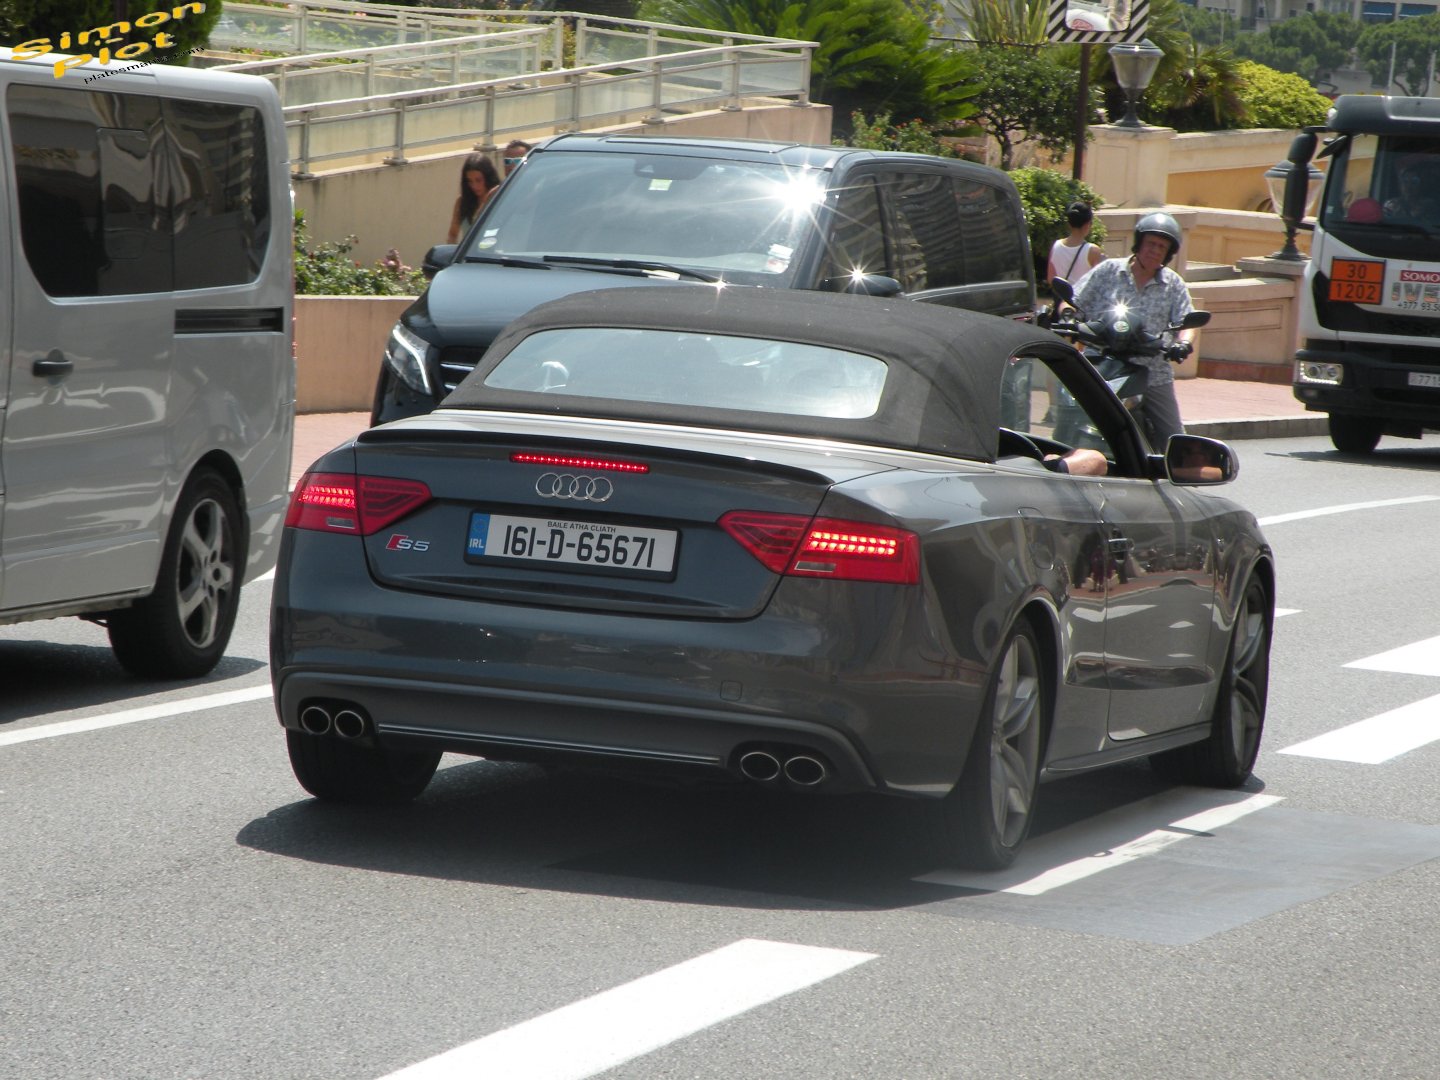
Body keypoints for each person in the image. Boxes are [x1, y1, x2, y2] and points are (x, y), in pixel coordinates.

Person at [1071, 211, 1198, 449]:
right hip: (1100, 363)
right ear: (1139, 243)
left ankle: (1174, 477)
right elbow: (1074, 301)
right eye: (1151, 243)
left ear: (1169, 253)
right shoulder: (1108, 271)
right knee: (1068, 410)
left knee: (1175, 439)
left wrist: (1183, 343)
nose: (1155, 250)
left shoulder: (1173, 284)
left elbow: (1187, 322)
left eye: (1162, 246)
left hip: (1153, 371)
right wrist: (1063, 314)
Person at [446, 153, 501, 244]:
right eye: (470, 181)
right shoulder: (462, 202)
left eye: (478, 180)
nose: (474, 186)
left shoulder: (498, 198)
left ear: (488, 177)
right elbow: (452, 234)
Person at [1047, 201, 1103, 286]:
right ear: (1087, 225)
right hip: (1083, 298)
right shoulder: (1093, 251)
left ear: (1069, 224)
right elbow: (1098, 282)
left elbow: (1051, 279)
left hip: (1062, 299)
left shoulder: (1056, 246)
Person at [1383, 158, 1439, 223]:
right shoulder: (1391, 205)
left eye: (1414, 182)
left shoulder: (1429, 206)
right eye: (1405, 181)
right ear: (1400, 185)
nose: (1409, 186)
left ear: (1421, 185)